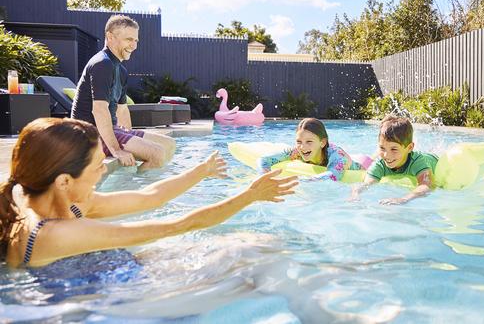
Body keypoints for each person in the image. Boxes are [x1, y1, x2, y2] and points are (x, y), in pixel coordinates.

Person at [0, 118, 298, 268]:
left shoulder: (47, 196)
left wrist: (200, 172)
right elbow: (177, 226)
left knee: (252, 244)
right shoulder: (53, 234)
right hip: (91, 301)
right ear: (64, 180)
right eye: (97, 166)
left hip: (99, 273)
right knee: (253, 254)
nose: (103, 171)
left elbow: (150, 197)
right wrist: (250, 195)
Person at [71, 14, 175, 170]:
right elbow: (99, 110)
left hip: (111, 129)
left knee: (169, 144)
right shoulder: (102, 64)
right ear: (110, 37)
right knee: (157, 153)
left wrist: (130, 136)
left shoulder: (121, 70)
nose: (134, 46)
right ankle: (141, 192)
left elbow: (122, 110)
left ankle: (139, 180)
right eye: (128, 39)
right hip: (88, 135)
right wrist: (117, 150)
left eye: (136, 40)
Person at [350, 115, 438, 205]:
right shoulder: (380, 164)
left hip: (433, 160)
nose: (386, 155)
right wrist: (355, 193)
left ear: (410, 147)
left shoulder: (417, 161)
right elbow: (366, 184)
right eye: (382, 148)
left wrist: (403, 199)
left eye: (394, 149)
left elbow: (426, 185)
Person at [258, 118, 365, 181]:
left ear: (322, 142)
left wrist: (300, 179)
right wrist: (264, 177)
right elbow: (264, 160)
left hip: (359, 172)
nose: (302, 147)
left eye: (309, 142)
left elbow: (332, 176)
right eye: (299, 142)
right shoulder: (296, 152)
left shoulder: (337, 156)